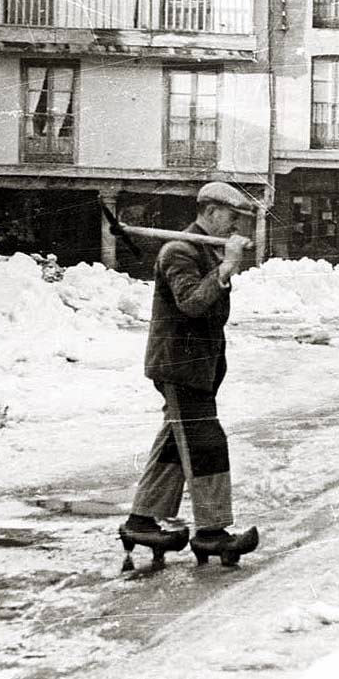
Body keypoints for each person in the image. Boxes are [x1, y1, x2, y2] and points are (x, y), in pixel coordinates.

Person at [119, 182, 260, 568]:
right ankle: (212, 533)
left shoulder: (203, 250)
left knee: (174, 445)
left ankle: (141, 521)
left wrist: (221, 265)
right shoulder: (178, 250)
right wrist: (227, 268)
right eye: (232, 218)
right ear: (211, 211)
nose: (236, 228)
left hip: (198, 366)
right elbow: (193, 304)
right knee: (205, 443)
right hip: (179, 365)